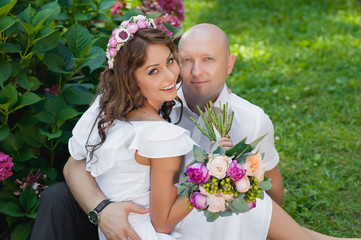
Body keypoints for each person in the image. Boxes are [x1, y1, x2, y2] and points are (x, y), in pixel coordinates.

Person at [30, 18, 359, 240]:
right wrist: (102, 209)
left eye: (209, 60)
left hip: (196, 207)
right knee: (57, 197)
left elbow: (271, 191)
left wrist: (229, 181)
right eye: (184, 59)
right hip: (149, 210)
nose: (190, 72)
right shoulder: (147, 107)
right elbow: (76, 161)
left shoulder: (249, 118)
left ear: (229, 64)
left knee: (257, 210)